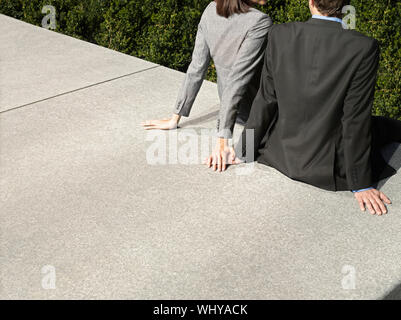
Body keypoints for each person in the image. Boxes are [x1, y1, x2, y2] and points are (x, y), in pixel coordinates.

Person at [207, 0, 401, 216]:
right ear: (346, 6)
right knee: (387, 126)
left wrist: (245, 150)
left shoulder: (279, 34)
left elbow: (266, 99)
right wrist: (360, 183)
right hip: (326, 168)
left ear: (311, 2)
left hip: (279, 154)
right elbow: (355, 119)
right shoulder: (364, 47)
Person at [141, 0, 272, 158]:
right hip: (260, 114)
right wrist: (223, 140)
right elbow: (237, 80)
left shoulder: (211, 10)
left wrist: (175, 117)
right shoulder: (260, 21)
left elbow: (197, 67)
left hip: (236, 112)